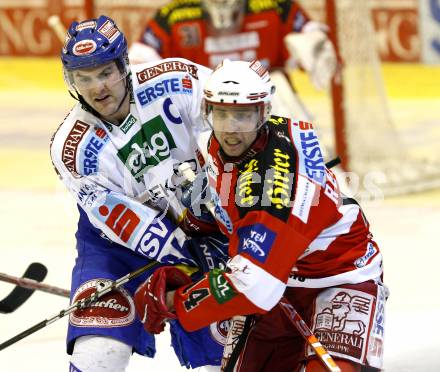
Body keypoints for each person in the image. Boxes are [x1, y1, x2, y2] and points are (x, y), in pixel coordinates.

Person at [134, 60, 388, 371]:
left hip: (339, 276)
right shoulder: (229, 142)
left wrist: (174, 301)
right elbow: (225, 199)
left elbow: (254, 286)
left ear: (263, 112)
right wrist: (198, 222)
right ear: (207, 110)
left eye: (242, 115)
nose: (230, 128)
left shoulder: (271, 186)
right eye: (222, 113)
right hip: (277, 276)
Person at [50, 15, 230, 371]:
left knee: (220, 360)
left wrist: (232, 219)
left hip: (201, 228)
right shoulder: (71, 148)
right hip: (115, 248)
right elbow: (124, 221)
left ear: (124, 65)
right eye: (83, 78)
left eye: (105, 73)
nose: (97, 88)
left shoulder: (176, 79)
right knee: (100, 355)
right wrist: (184, 254)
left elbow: (235, 122)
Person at [129, 0, 337, 119]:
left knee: (279, 84)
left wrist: (317, 48)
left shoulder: (274, 7)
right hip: (205, 108)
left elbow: (313, 39)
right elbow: (138, 63)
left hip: (267, 104)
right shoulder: (174, 16)